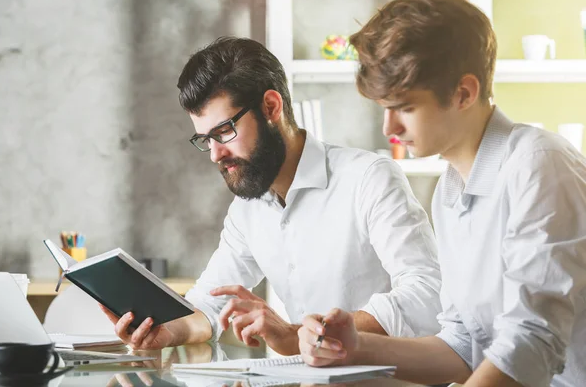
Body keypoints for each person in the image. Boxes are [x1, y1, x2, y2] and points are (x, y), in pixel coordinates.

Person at [297, 0, 586, 387]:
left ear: (463, 93)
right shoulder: (449, 193)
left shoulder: (539, 163)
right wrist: (356, 346)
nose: (389, 129)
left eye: (405, 107)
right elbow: (464, 345)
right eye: (385, 108)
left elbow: (532, 339)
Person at [100, 36, 442, 355]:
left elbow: (426, 294)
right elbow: (208, 304)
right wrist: (168, 332)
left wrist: (305, 335)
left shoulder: (368, 178)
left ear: (270, 107)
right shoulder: (247, 209)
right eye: (205, 140)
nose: (216, 155)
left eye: (224, 132)